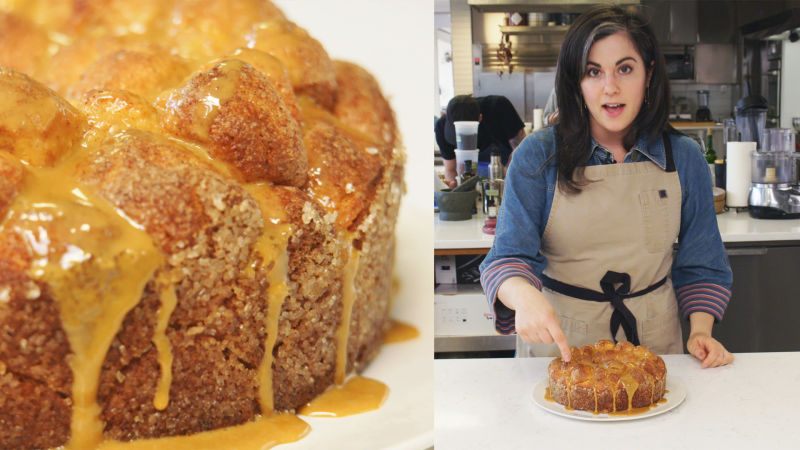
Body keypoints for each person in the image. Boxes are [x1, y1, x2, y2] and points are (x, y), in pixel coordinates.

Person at [479, 5, 734, 369]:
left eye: (625, 69)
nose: (610, 87)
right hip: (561, 351)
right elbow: (506, 259)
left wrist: (700, 331)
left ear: (649, 74)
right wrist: (522, 296)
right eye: (593, 72)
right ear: (575, 83)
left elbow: (702, 264)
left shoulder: (684, 157)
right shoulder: (537, 156)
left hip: (655, 347)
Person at [435, 95, 525, 187]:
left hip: (503, 166)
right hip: (469, 169)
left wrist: (507, 176)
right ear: (446, 116)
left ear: (480, 118)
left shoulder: (499, 107)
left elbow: (521, 149)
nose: (466, 144)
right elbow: (450, 169)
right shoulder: (441, 127)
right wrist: (455, 193)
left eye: (468, 136)